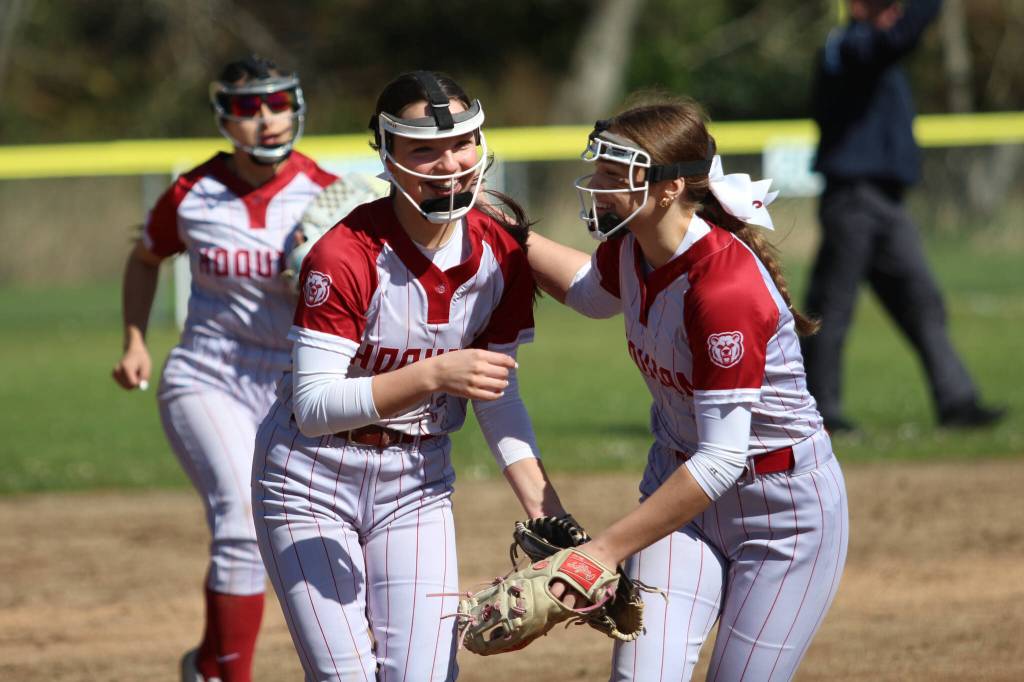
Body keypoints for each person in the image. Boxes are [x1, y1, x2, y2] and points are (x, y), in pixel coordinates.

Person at [250, 70, 569, 681]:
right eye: (424, 148)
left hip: (416, 478)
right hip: (309, 480)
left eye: (463, 143)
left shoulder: (500, 251)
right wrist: (434, 374)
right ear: (388, 153)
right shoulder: (345, 253)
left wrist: (547, 512)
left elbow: (498, 398)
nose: (449, 162)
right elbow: (314, 407)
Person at [525, 98, 849, 680]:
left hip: (781, 515)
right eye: (597, 168)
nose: (596, 186)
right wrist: (501, 233)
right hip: (682, 496)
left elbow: (724, 458)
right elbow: (589, 293)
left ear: (669, 187)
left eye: (613, 174)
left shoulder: (722, 287)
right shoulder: (633, 247)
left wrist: (599, 552)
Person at [111, 55, 337, 682]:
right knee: (240, 517)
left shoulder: (328, 192)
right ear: (224, 118)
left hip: (292, 385)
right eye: (247, 107)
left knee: (279, 531)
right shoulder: (193, 192)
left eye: (278, 101)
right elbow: (145, 256)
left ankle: (207, 665)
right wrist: (134, 339)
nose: (266, 119)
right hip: (206, 373)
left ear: (298, 106)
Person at [802, 0, 1005, 432]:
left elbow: (894, 41)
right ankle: (817, 413)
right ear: (858, 8)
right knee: (832, 309)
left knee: (922, 302)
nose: (895, 14)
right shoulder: (848, 45)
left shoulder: (874, 51)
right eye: (886, 6)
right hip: (852, 200)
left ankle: (957, 402)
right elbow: (897, 39)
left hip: (886, 203)